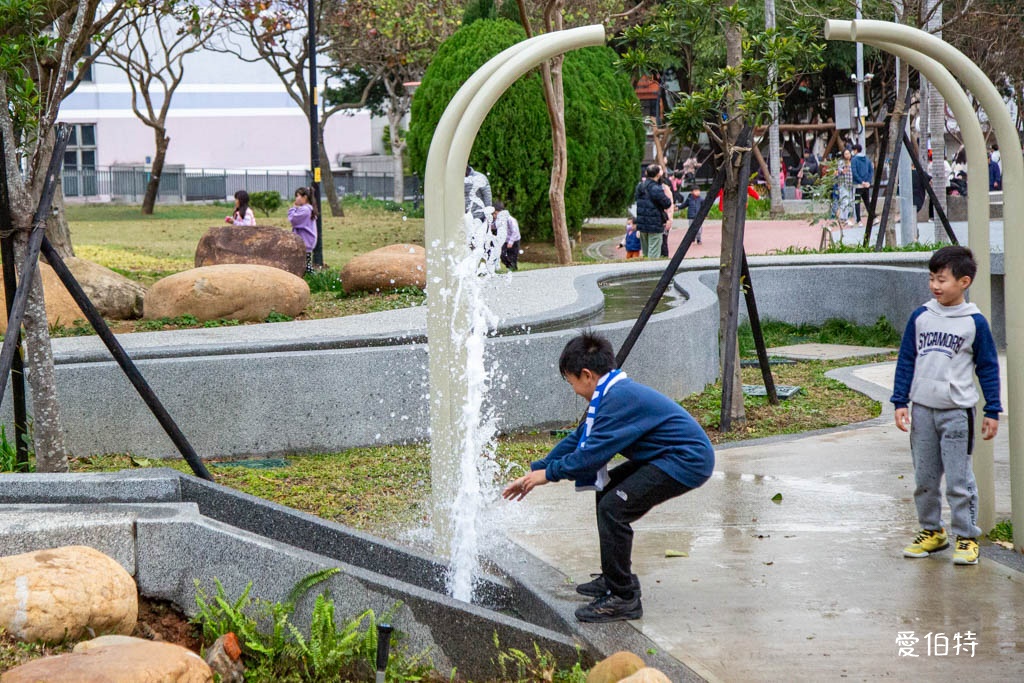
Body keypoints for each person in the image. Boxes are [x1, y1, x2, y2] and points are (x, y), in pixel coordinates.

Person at [502, 332, 714, 622]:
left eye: (571, 381)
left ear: (586, 375)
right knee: (608, 490)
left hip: (686, 461)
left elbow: (588, 458)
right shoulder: (609, 393)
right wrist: (538, 468)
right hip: (666, 456)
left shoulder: (617, 399)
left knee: (614, 507)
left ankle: (624, 598)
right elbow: (579, 439)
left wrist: (547, 475)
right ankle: (613, 578)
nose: (573, 388)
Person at [891, 246, 1001, 566]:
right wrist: (900, 401)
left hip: (957, 412)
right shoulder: (922, 316)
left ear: (964, 281)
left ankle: (966, 537)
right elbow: (906, 359)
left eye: (942, 279)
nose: (935, 285)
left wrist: (993, 409)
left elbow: (988, 367)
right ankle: (932, 532)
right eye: (931, 278)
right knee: (924, 478)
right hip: (922, 409)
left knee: (958, 479)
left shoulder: (974, 322)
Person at [634, 165, 672, 259]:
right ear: (658, 174)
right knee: (654, 254)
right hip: (654, 224)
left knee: (646, 253)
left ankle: (644, 271)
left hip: (642, 223)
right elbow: (667, 203)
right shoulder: (656, 188)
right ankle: (652, 272)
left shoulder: (640, 186)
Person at [288, 187, 318, 273]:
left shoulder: (305, 210)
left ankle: (312, 279)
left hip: (305, 242)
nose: (296, 199)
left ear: (304, 197)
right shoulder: (308, 208)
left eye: (297, 196)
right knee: (304, 264)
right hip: (307, 241)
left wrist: (293, 208)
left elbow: (293, 219)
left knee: (304, 267)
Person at [493, 200, 521, 271]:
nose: (494, 216)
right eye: (493, 214)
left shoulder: (510, 219)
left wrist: (511, 241)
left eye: (496, 214)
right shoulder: (498, 220)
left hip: (514, 241)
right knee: (502, 255)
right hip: (505, 241)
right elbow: (495, 226)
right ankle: (509, 266)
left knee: (512, 256)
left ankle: (513, 267)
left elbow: (515, 231)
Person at [850, 143, 874, 225]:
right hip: (866, 185)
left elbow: (854, 172)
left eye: (853, 150)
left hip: (858, 185)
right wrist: (868, 181)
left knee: (857, 202)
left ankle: (858, 220)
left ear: (856, 150)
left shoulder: (854, 160)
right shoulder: (867, 159)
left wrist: (861, 181)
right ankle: (873, 218)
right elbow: (871, 171)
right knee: (867, 202)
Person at [836, 148, 855, 227]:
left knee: (850, 201)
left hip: (851, 184)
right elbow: (840, 170)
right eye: (846, 154)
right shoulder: (841, 162)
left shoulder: (853, 162)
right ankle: (843, 218)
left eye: (849, 153)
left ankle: (844, 218)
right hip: (843, 184)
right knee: (845, 201)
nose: (847, 155)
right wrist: (843, 170)